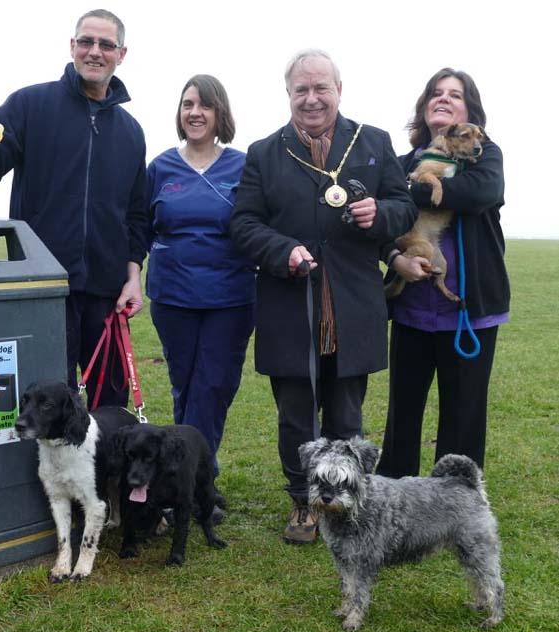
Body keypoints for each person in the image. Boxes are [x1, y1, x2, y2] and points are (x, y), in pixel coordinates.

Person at [229, 49, 416, 544]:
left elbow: (405, 208)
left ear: (339, 89)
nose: (311, 99)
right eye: (300, 90)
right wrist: (281, 249)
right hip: (290, 306)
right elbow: (243, 224)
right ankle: (302, 504)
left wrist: (382, 214)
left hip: (353, 307)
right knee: (296, 414)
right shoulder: (264, 152)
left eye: (321, 88)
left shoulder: (373, 142)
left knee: (346, 417)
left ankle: (347, 502)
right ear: (288, 93)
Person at [0, 9, 149, 408]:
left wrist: (133, 277)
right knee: (43, 407)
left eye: (106, 44)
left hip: (105, 295)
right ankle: (38, 475)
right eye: (86, 42)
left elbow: (136, 215)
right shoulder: (30, 105)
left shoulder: (131, 132)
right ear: (72, 46)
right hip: (41, 289)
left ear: (122, 53)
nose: (95, 52)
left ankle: (105, 475)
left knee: (108, 411)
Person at [376, 69, 509, 478]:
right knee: (403, 413)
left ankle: (459, 505)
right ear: (424, 106)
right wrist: (394, 258)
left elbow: (479, 193)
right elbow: (381, 221)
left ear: (470, 111)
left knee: (463, 416)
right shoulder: (401, 161)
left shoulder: (484, 155)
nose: (444, 98)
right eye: (436, 93)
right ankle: (394, 496)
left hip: (471, 311)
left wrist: (409, 188)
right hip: (413, 308)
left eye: (455, 94)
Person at [145, 75, 254, 518]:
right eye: (188, 103)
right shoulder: (161, 168)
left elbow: (258, 223)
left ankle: (198, 480)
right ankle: (181, 479)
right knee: (183, 386)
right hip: (173, 295)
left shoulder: (244, 166)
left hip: (230, 296)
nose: (195, 112)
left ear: (220, 113)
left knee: (214, 387)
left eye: (205, 105)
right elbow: (140, 225)